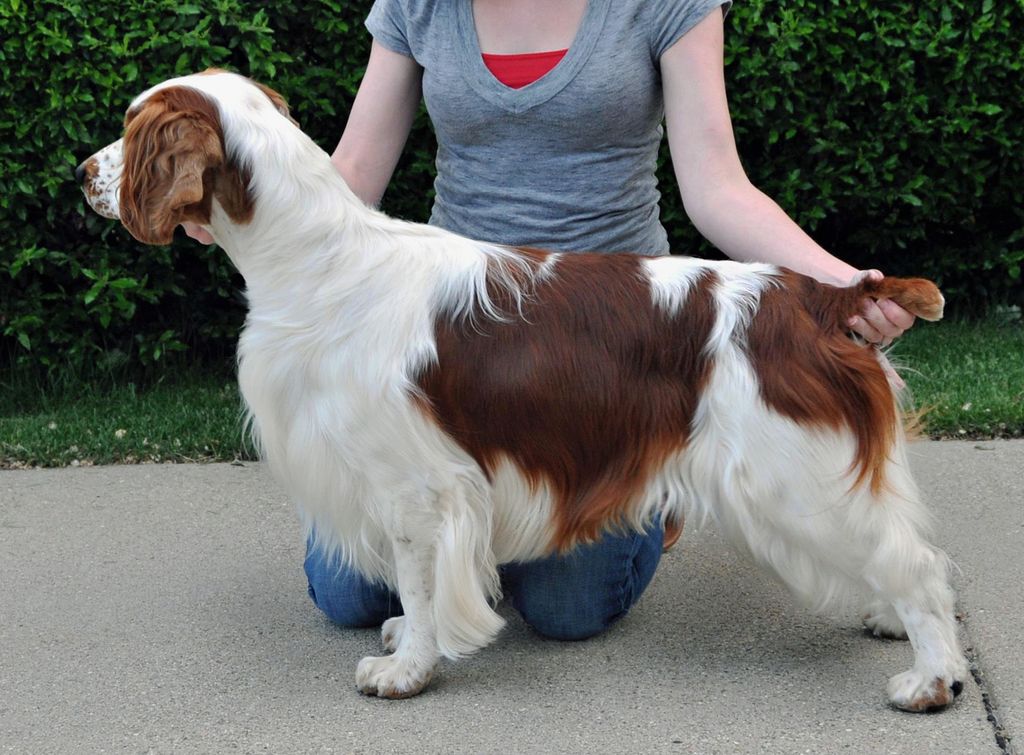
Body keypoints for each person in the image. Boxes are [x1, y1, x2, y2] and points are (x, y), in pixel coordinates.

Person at [186, 0, 916, 640]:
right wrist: (235, 209)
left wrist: (842, 285)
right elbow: (353, 177)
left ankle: (657, 475)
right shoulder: (421, 4)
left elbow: (718, 187)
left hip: (617, 349)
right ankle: (482, 515)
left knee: (568, 607)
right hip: (456, 340)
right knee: (347, 594)